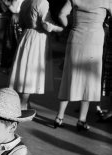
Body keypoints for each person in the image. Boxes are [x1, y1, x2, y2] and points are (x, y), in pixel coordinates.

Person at [54, 0, 112, 132]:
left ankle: (59, 116)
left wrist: (69, 25)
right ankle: (82, 120)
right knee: (89, 80)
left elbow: (61, 14)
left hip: (76, 37)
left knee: (68, 77)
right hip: (94, 40)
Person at [9, 0, 63, 110]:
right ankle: (23, 105)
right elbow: (46, 25)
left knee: (25, 70)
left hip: (26, 35)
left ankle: (25, 103)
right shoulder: (42, 2)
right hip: (38, 37)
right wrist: (61, 29)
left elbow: (21, 22)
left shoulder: (26, 2)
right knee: (30, 73)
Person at [0, 0, 23, 72]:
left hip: (15, 20)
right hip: (15, 19)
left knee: (11, 43)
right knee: (11, 43)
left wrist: (5, 1)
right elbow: (5, 9)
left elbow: (13, 9)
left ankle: (9, 66)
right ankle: (10, 66)